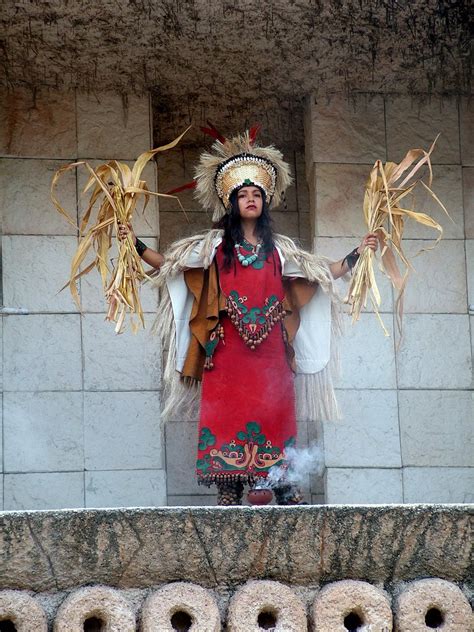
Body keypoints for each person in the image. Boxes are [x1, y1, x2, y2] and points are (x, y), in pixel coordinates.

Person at [119, 130, 377, 506]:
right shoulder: (213, 247)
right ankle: (229, 486)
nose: (251, 199)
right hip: (226, 352)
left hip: (272, 351)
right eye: (243, 194)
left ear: (266, 200)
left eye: (256, 193)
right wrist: (135, 245)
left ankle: (282, 482)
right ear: (231, 201)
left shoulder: (282, 251)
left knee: (274, 411)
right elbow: (170, 265)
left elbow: (323, 272)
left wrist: (358, 254)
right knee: (227, 416)